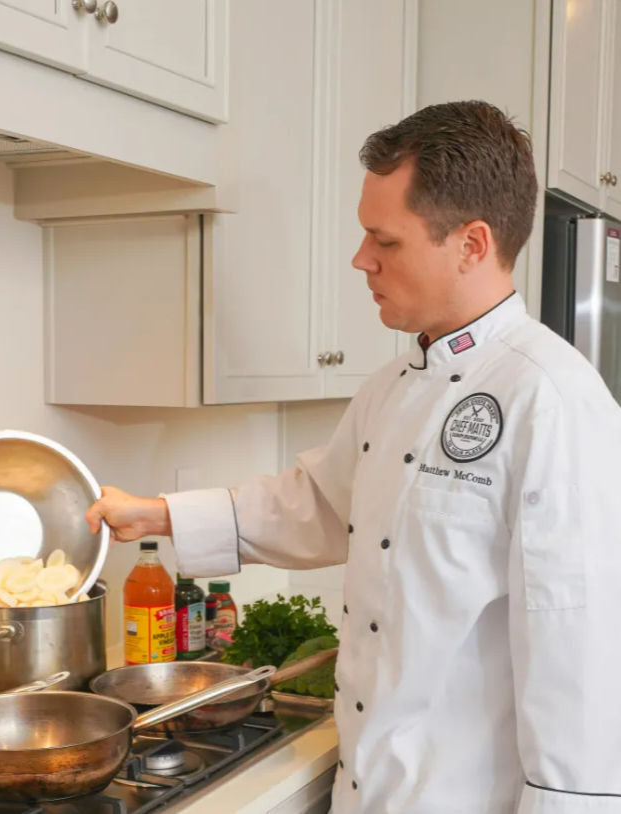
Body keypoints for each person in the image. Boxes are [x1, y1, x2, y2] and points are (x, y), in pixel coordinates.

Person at [86, 100, 621, 813]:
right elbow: (323, 506)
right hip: (368, 788)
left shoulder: (552, 399)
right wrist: (158, 515)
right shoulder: (391, 388)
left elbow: (578, 655)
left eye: (385, 241)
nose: (359, 259)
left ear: (470, 243)